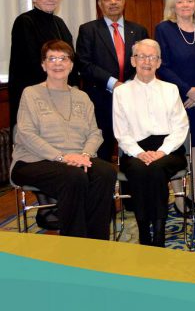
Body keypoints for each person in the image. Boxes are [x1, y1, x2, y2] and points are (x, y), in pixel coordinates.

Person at [11, 40, 116, 239]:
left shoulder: (82, 97)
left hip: (77, 158)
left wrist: (84, 155)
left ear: (71, 64)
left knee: (105, 172)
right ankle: (74, 245)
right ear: (43, 65)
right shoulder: (31, 93)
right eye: (52, 58)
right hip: (34, 160)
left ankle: (97, 242)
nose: (58, 63)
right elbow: (26, 133)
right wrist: (63, 157)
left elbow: (95, 133)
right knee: (73, 177)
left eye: (63, 58)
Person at [113, 39, 189, 247]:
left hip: (169, 150)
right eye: (142, 56)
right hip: (134, 151)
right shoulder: (121, 92)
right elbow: (121, 132)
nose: (147, 61)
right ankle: (144, 230)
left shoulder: (170, 89)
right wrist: (139, 152)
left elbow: (180, 127)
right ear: (133, 60)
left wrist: (162, 151)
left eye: (152, 57)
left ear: (158, 62)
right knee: (140, 170)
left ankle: (158, 234)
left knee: (155, 169)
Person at [77, 0, 149, 162]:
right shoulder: (88, 30)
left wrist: (129, 85)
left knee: (135, 150)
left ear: (124, 2)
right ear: (100, 4)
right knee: (102, 151)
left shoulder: (139, 31)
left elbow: (146, 62)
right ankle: (104, 190)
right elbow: (84, 64)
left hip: (134, 100)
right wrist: (113, 83)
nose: (113, 2)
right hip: (101, 101)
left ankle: (132, 190)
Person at [155, 0, 195, 215]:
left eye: (189, 1)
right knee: (176, 147)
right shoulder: (164, 29)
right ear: (173, 5)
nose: (186, 5)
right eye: (180, 1)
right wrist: (188, 91)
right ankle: (179, 199)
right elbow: (163, 66)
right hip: (175, 97)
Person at [10, 0, 79, 129]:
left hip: (62, 93)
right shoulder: (25, 22)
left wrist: (73, 88)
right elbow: (32, 62)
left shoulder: (59, 23)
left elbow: (72, 57)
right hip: (36, 94)